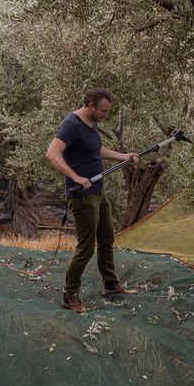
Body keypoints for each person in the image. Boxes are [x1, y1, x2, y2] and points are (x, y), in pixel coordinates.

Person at [44, 89, 139, 314]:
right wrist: (75, 177)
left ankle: (110, 284)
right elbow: (52, 153)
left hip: (98, 191)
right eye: (103, 111)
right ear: (90, 106)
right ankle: (70, 295)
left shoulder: (91, 122)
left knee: (106, 239)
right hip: (82, 196)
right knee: (85, 248)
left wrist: (122, 156)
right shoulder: (72, 124)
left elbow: (96, 149)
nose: (106, 115)